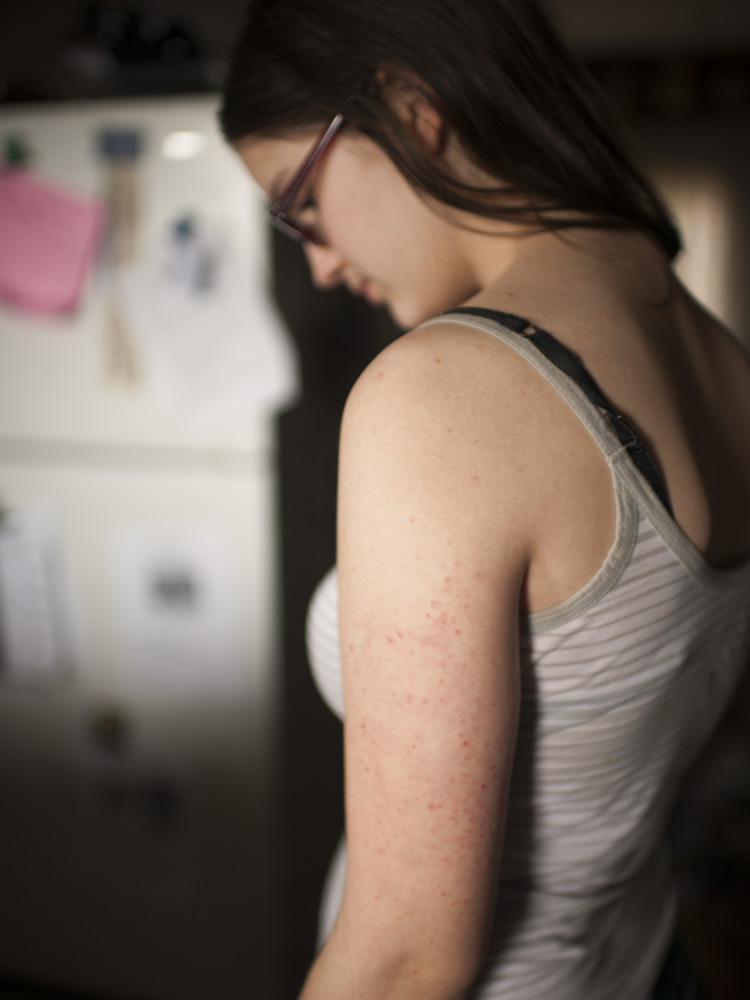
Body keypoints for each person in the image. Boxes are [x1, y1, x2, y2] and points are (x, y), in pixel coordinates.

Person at [219, 1, 750, 997]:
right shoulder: (722, 357)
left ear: (412, 107)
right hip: (647, 960)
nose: (320, 261)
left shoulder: (444, 392)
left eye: (302, 201)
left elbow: (405, 963)